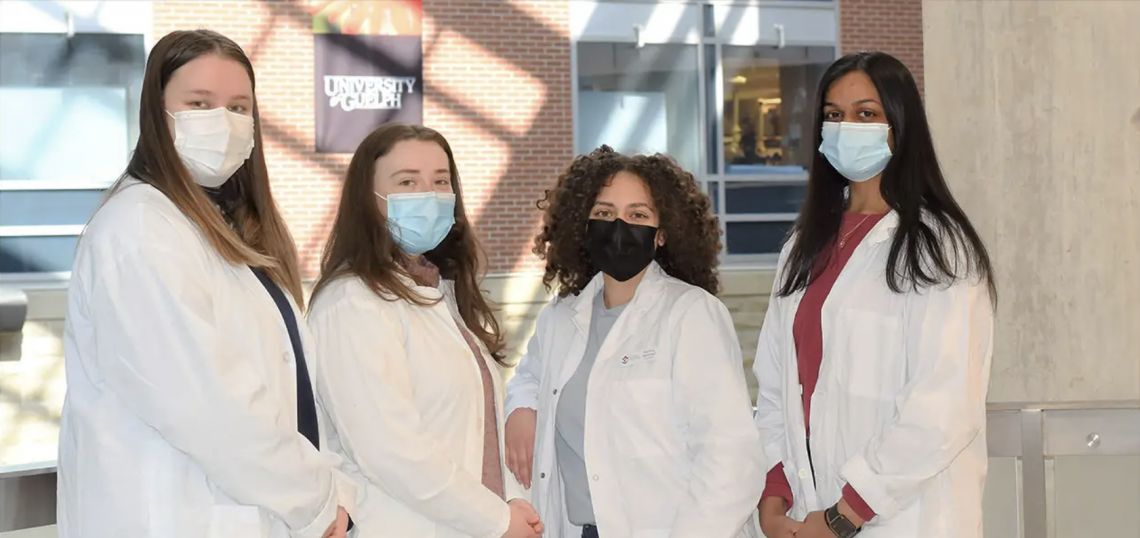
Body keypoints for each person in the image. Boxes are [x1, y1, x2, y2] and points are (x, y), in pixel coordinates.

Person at [58, 30, 353, 537]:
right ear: (157, 112)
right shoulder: (139, 231)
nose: (225, 122)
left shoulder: (224, 226)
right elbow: (209, 405)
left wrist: (324, 492)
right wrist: (316, 499)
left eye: (239, 107)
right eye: (200, 103)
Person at [752, 51, 996, 538]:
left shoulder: (938, 247)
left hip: (902, 519)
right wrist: (773, 494)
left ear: (899, 125)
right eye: (834, 116)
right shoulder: (803, 245)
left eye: (866, 114)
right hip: (807, 515)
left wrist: (848, 513)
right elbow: (776, 387)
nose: (847, 127)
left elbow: (943, 407)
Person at [503, 147, 765, 538]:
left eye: (637, 215)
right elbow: (530, 376)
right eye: (605, 213)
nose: (619, 226)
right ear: (583, 224)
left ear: (661, 235)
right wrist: (521, 407)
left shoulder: (691, 314)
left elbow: (730, 457)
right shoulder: (561, 317)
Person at [306, 123, 543, 538]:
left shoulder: (442, 293)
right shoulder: (351, 302)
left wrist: (510, 498)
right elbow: (390, 449)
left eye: (440, 181)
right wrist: (497, 520)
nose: (428, 195)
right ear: (368, 197)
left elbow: (477, 428)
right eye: (407, 182)